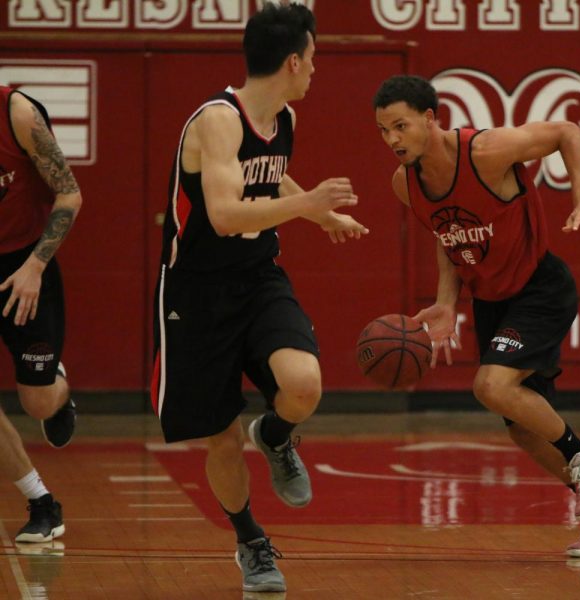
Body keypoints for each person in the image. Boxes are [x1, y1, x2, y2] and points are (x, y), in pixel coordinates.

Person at [151, 4, 367, 593]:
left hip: (258, 277)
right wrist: (307, 204)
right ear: (293, 60)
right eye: (314, 59)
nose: (315, 70)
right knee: (220, 436)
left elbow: (267, 177)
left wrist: (317, 214)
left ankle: (273, 436)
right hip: (196, 293)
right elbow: (221, 215)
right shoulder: (218, 121)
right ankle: (250, 541)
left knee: (304, 384)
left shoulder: (285, 118)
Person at [373, 75, 580, 557]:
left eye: (400, 126)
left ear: (431, 119)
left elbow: (569, 132)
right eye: (384, 130)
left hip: (540, 287)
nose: (392, 139)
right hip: (492, 300)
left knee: (490, 386)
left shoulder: (486, 152)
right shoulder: (404, 184)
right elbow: (444, 233)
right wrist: (448, 302)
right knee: (522, 428)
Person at [0, 86, 81, 543]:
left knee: (37, 402)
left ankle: (59, 390)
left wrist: (35, 266)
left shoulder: (19, 113)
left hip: (26, 266)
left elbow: (69, 194)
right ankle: (41, 502)